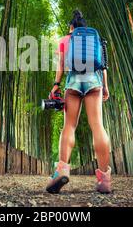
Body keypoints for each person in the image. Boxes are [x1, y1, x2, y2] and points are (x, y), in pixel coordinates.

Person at [46, 10, 112, 194]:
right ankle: (105, 179)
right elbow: (103, 65)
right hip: (94, 80)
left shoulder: (64, 40)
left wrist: (56, 85)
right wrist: (105, 87)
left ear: (71, 27)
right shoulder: (94, 38)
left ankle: (61, 171)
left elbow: (60, 66)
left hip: (73, 81)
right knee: (98, 126)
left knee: (69, 126)